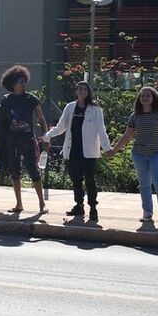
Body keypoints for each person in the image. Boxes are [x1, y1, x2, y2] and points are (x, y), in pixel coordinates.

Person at [107, 86, 158, 223]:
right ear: (139, 99)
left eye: (148, 96)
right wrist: (114, 150)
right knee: (144, 184)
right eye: (142, 96)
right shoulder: (134, 116)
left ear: (153, 98)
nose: (145, 98)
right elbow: (127, 135)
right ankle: (147, 213)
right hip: (139, 154)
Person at [0, 66, 50, 214]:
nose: (23, 84)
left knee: (33, 171)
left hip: (28, 140)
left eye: (24, 81)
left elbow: (41, 118)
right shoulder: (7, 100)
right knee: (15, 172)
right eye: (20, 81)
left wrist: (46, 137)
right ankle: (19, 204)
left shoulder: (32, 99)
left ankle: (42, 203)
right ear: (12, 83)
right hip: (11, 141)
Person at [41, 81, 112, 222]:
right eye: (80, 89)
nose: (82, 91)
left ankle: (93, 208)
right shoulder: (70, 107)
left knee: (90, 181)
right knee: (76, 181)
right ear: (76, 91)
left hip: (89, 152)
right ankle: (79, 206)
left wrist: (107, 148)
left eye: (85, 89)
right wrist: (47, 135)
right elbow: (61, 127)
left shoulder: (95, 109)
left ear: (88, 92)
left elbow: (101, 130)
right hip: (72, 150)